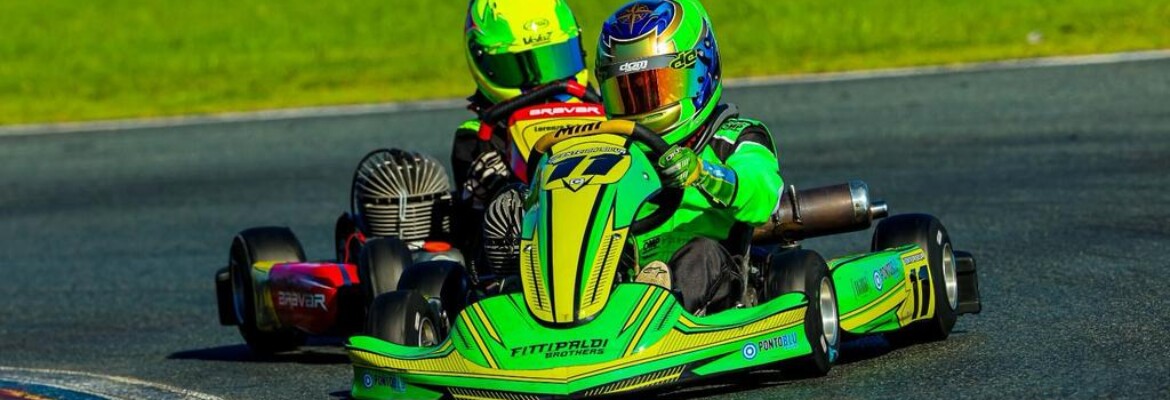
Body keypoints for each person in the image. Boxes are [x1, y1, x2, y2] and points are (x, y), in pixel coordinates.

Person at [595, 0, 783, 315]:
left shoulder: (735, 137)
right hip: (626, 267)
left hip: (713, 270)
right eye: (626, 93)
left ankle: (658, 305)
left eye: (656, 88)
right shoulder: (613, 152)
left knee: (700, 255)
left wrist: (703, 173)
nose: (643, 105)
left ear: (698, 74)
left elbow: (763, 195)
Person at [452, 0, 598, 283]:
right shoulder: (476, 139)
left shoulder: (607, 114)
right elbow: (467, 235)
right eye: (522, 68)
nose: (547, 85)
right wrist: (486, 193)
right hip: (523, 257)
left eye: (556, 59)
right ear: (486, 64)